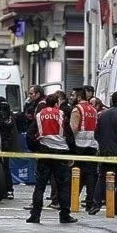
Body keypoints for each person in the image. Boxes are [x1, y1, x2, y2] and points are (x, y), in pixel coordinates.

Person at [26, 94, 77, 224]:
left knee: (40, 186)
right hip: (60, 153)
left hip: (45, 152)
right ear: (56, 103)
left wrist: (36, 149)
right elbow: (70, 136)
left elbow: (30, 134)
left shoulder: (39, 115)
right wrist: (71, 153)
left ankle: (35, 215)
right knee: (63, 186)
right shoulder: (61, 115)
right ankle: (64, 215)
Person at [89, 91, 117, 216]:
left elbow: (96, 133)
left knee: (101, 178)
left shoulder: (103, 115)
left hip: (105, 151)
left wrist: (103, 145)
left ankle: (95, 204)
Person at [70, 87, 99, 212]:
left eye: (73, 95)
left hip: (79, 145)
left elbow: (74, 128)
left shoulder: (77, 109)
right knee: (91, 175)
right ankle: (90, 202)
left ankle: (73, 200)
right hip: (92, 145)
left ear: (79, 97)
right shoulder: (93, 109)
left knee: (76, 173)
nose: (71, 98)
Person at [0, 96, 16, 199]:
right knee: (4, 167)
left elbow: (6, 126)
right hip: (5, 142)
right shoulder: (10, 117)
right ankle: (7, 189)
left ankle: (8, 189)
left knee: (4, 167)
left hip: (3, 142)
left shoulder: (5, 117)